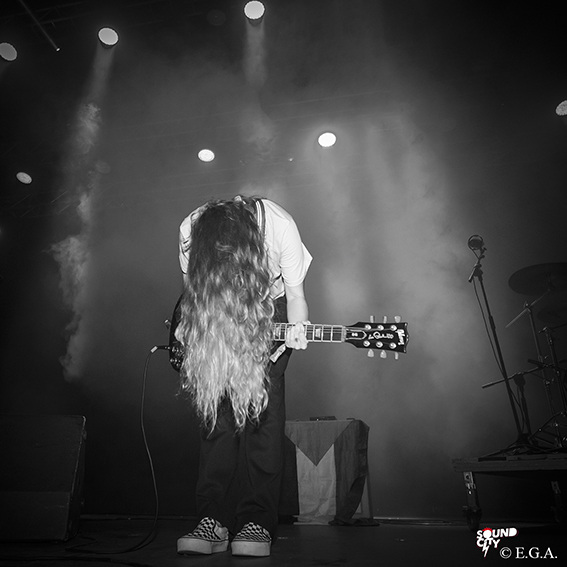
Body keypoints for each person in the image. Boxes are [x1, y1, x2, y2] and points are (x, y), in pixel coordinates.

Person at [175, 195, 312, 557]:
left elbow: (296, 295)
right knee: (216, 414)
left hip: (266, 305)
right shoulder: (190, 230)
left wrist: (298, 327)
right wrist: (189, 327)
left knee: (262, 413)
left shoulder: (280, 227)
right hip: (216, 307)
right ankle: (212, 521)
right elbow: (192, 290)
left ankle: (257, 520)